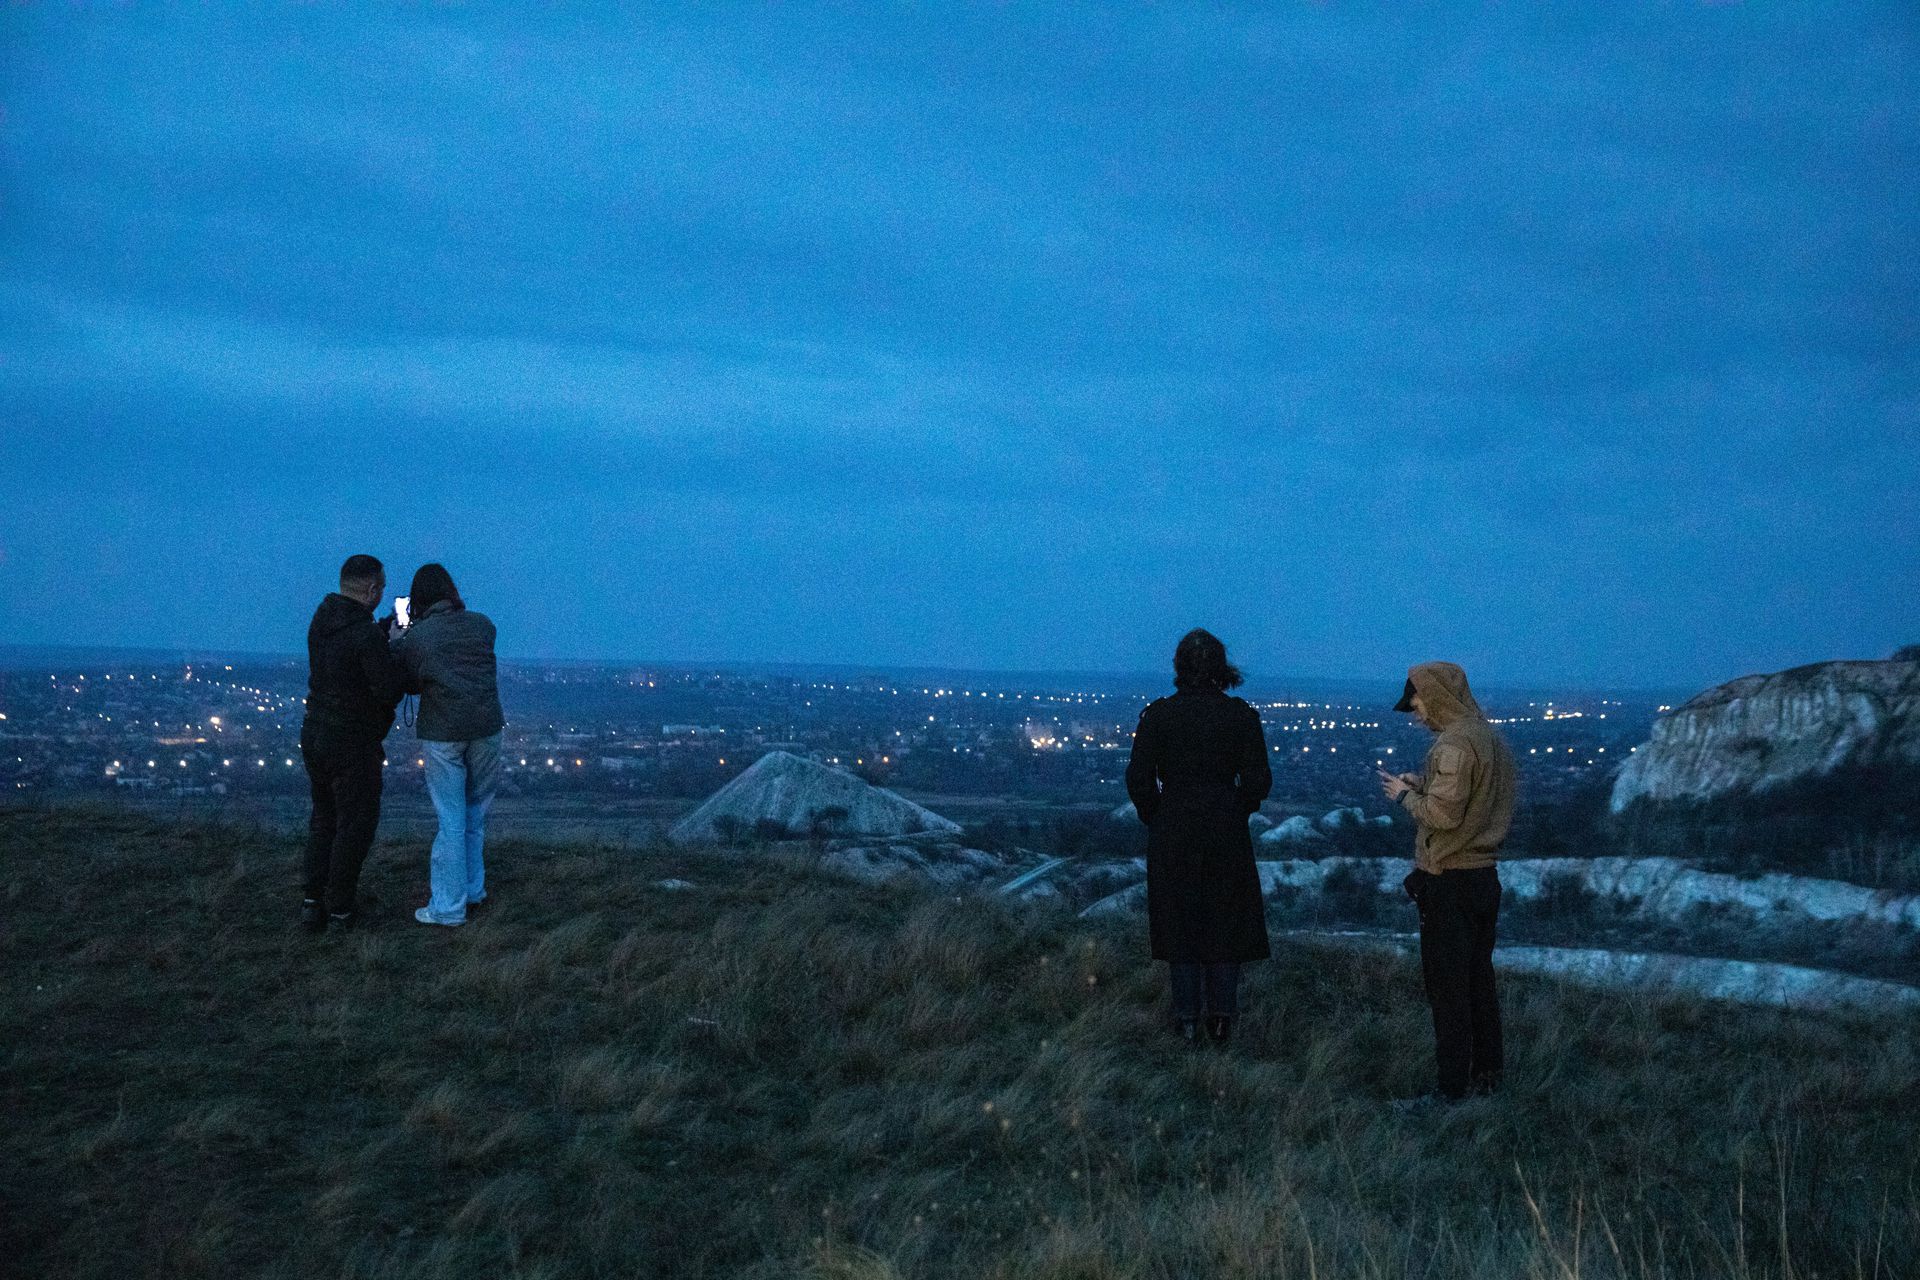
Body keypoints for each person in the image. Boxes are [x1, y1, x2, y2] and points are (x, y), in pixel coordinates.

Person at [1378, 661, 1517, 1105]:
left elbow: (1443, 815)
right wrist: (1426, 784)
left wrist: (1404, 796)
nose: (1416, 713)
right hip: (1483, 877)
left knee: (1449, 990)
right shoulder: (1488, 737)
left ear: (1436, 696)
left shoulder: (1454, 744)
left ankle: (1449, 1091)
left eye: (1417, 702)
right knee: (1479, 982)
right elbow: (1472, 797)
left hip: (1450, 881)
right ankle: (1487, 1079)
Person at [1125, 629, 1273, 1045]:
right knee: (1224, 924)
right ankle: (1221, 1021)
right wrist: (1236, 809)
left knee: (1180, 922)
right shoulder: (1240, 717)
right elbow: (1259, 780)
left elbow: (1139, 778)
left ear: (1178, 666)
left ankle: (1187, 1021)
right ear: (1222, 668)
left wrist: (1157, 814)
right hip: (1225, 832)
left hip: (1173, 830)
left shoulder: (1158, 716)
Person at [392, 563, 506, 927]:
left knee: (451, 820)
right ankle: (473, 890)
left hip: (444, 733)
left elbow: (409, 684)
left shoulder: (420, 637)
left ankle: (448, 907)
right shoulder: (483, 626)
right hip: (487, 727)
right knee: (474, 814)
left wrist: (399, 642)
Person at [299, 554, 406, 932]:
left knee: (324, 818)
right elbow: (389, 690)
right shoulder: (363, 635)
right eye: (382, 587)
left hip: (316, 731)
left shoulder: (323, 620)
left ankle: (313, 902)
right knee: (355, 824)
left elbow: (346, 653)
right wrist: (392, 648)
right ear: (373, 589)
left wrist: (379, 636)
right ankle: (341, 907)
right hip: (352, 740)